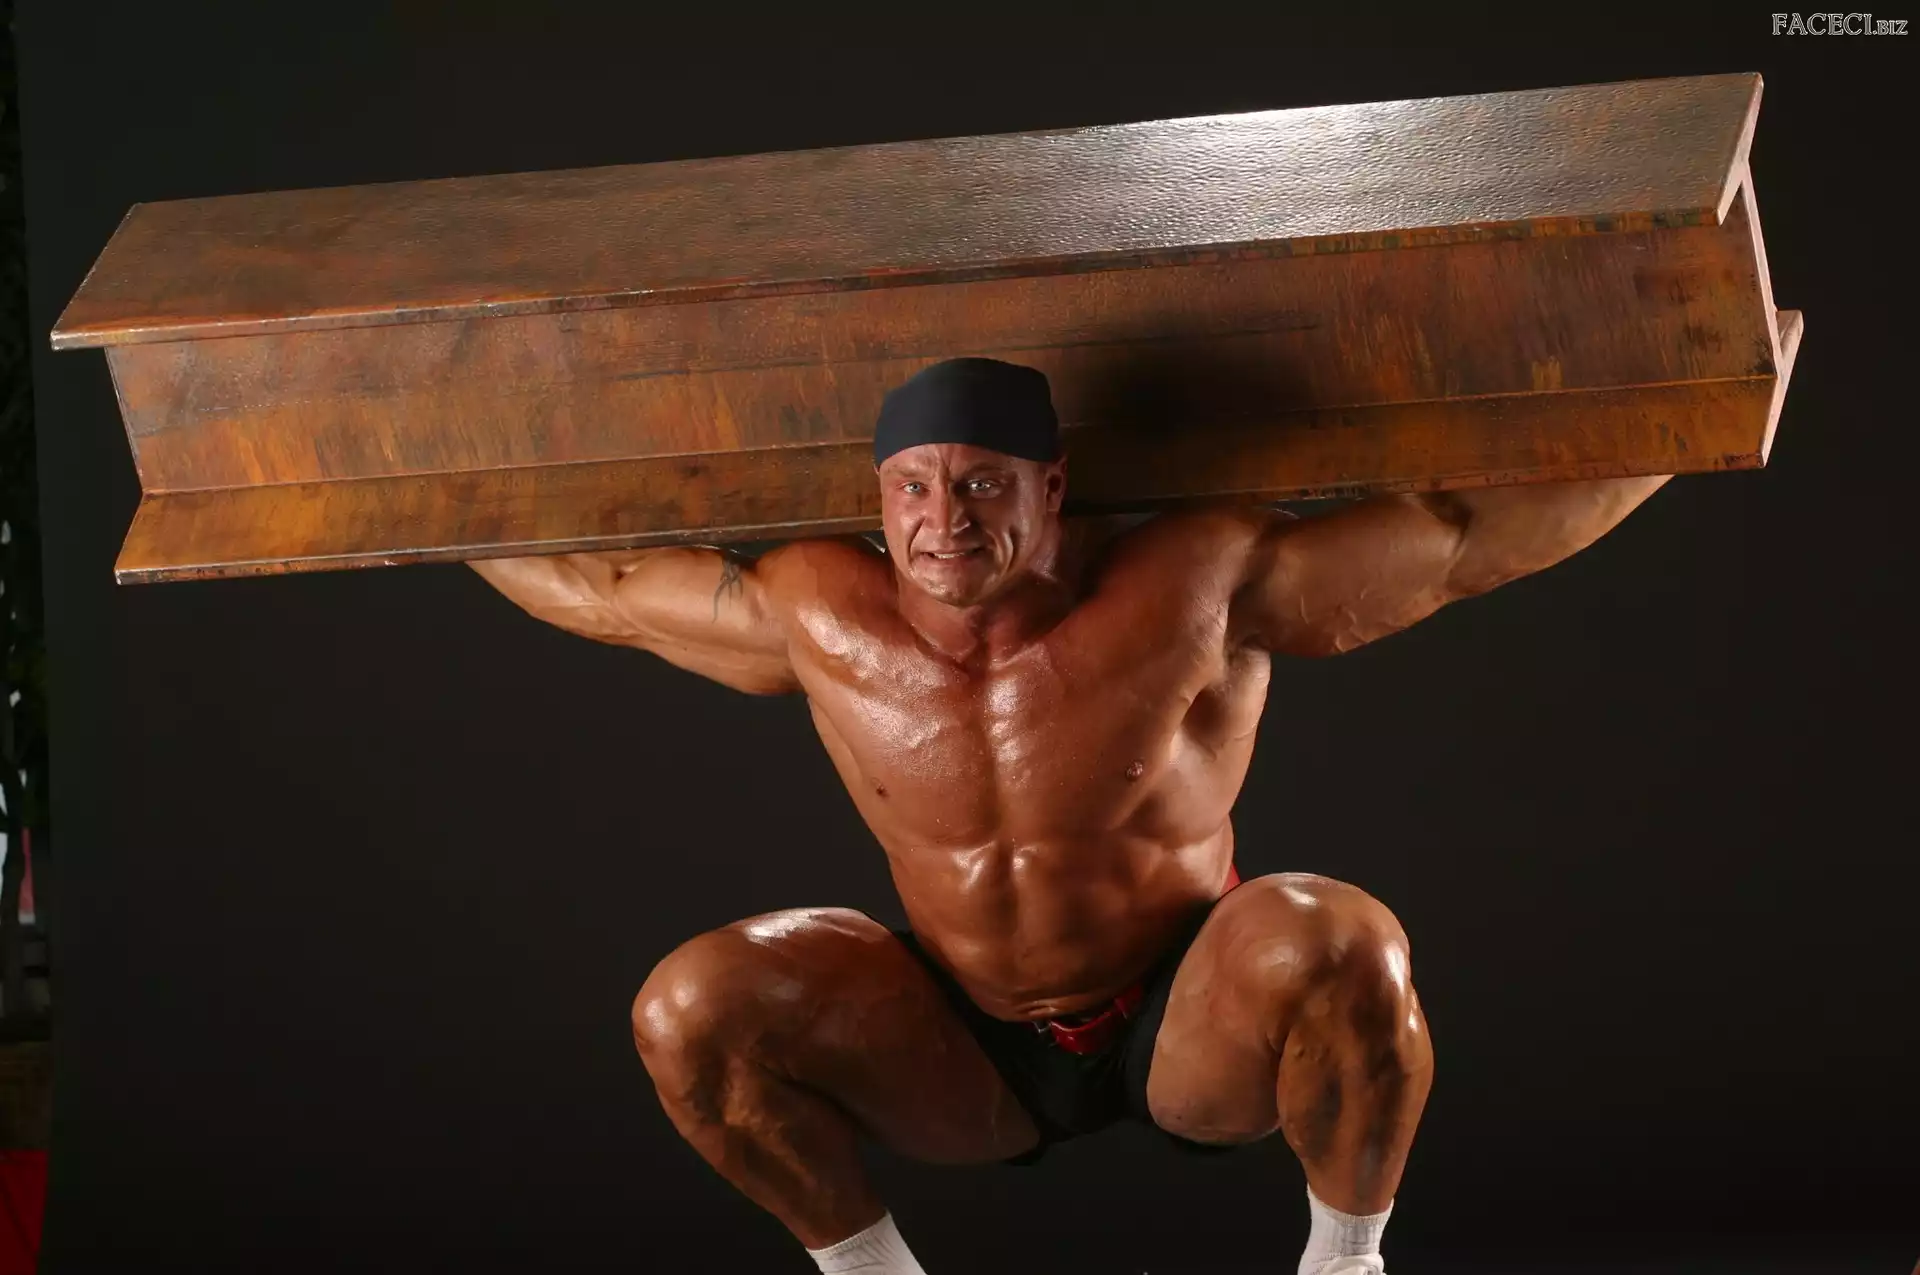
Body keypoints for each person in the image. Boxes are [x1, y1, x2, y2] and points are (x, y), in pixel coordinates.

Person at [472, 358, 1670, 1274]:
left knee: (1343, 938)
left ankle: (1345, 1266)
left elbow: (1460, 540)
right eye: (914, 487)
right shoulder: (815, 609)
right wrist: (387, 470)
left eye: (982, 484)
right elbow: (605, 590)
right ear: (879, 498)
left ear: (1050, 488)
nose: (945, 519)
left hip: (1192, 1013)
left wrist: (1695, 411)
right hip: (961, 1039)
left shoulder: (1196, 582)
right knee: (688, 1008)